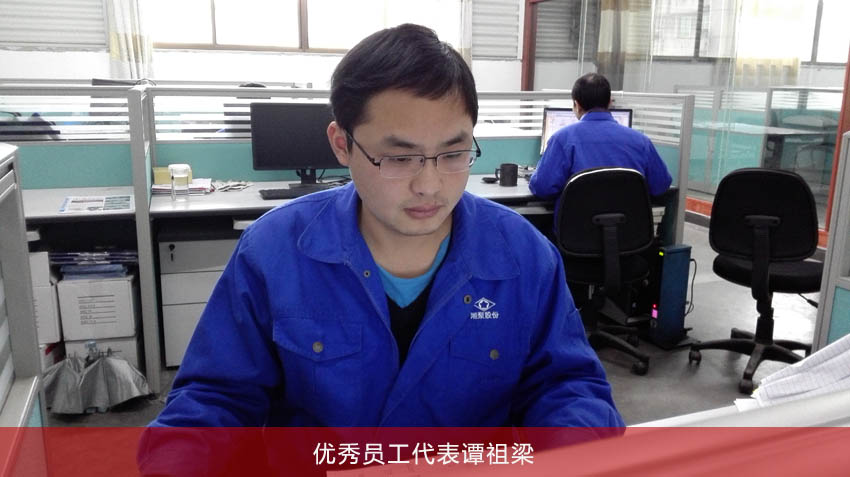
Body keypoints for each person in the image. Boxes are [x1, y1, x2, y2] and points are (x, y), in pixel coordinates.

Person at [142, 24, 622, 473]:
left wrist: (573, 454)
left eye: (454, 154)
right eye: (398, 157)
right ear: (341, 144)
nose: (429, 184)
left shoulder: (524, 255)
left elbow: (566, 387)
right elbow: (216, 400)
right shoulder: (274, 251)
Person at [529, 73, 672, 202]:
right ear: (610, 102)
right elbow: (661, 185)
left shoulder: (562, 139)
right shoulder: (641, 142)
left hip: (578, 222)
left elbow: (542, 188)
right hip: (629, 222)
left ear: (576, 105)